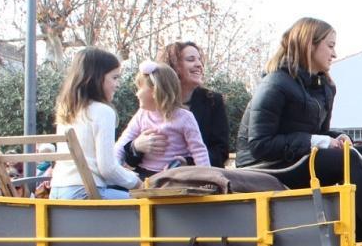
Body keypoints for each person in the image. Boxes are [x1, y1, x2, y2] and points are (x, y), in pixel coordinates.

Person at [234, 17, 362, 240]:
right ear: (310, 44)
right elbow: (260, 145)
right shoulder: (275, 83)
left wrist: (337, 136)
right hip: (265, 165)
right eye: (330, 46)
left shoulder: (324, 87)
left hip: (297, 157)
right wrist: (318, 142)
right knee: (350, 160)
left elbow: (319, 133)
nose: (334, 54)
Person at [50, 47, 142, 200]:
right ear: (97, 78)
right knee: (148, 207)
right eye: (114, 77)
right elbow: (107, 168)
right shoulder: (103, 111)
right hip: (86, 193)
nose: (118, 84)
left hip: (57, 192)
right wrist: (137, 182)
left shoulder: (67, 110)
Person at [122, 41, 230, 169]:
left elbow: (221, 151)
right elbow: (128, 158)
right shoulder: (150, 103)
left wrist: (188, 162)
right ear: (173, 67)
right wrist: (136, 146)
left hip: (192, 179)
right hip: (150, 177)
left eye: (200, 60)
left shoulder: (212, 101)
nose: (199, 64)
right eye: (191, 59)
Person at [115, 61, 210, 178]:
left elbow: (199, 150)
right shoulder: (141, 115)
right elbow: (123, 142)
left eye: (139, 88)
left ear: (155, 91)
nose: (137, 94)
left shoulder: (185, 118)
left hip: (175, 175)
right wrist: (114, 167)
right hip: (145, 174)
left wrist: (207, 178)